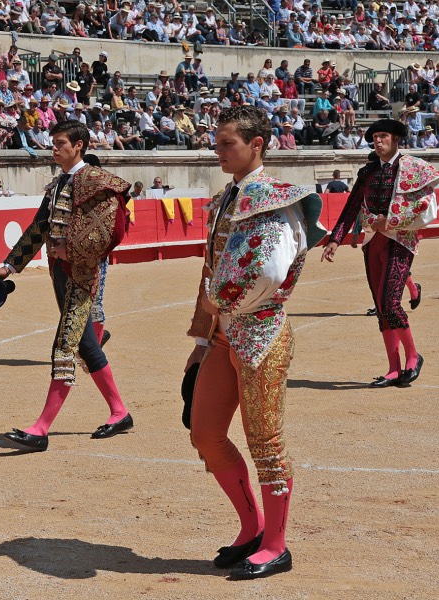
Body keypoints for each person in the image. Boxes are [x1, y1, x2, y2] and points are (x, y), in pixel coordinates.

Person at [186, 105, 324, 580]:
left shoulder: (273, 199)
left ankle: (277, 546)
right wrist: (204, 337)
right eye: (217, 142)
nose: (218, 151)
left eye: (228, 144)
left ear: (257, 145)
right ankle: (252, 530)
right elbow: (212, 266)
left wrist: (221, 303)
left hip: (262, 334)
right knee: (205, 433)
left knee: (265, 440)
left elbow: (270, 271)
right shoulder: (230, 195)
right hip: (224, 337)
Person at [0, 120, 133, 452]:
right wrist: (10, 265)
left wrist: (70, 249)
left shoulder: (97, 182)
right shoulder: (59, 184)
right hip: (60, 272)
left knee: (66, 343)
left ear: (79, 146)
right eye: (52, 143)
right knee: (86, 345)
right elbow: (39, 226)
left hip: (81, 274)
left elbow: (109, 233)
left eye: (60, 143)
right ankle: (120, 412)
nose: (53, 148)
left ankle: (41, 429)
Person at [322, 119, 439, 388]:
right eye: (375, 137)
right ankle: (393, 368)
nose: (378, 141)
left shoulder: (412, 168)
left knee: (390, 303)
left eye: (383, 136)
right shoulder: (367, 173)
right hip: (372, 241)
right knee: (381, 307)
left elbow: (423, 206)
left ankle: (413, 357)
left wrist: (388, 222)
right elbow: (352, 205)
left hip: (399, 240)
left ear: (396, 140)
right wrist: (335, 239)